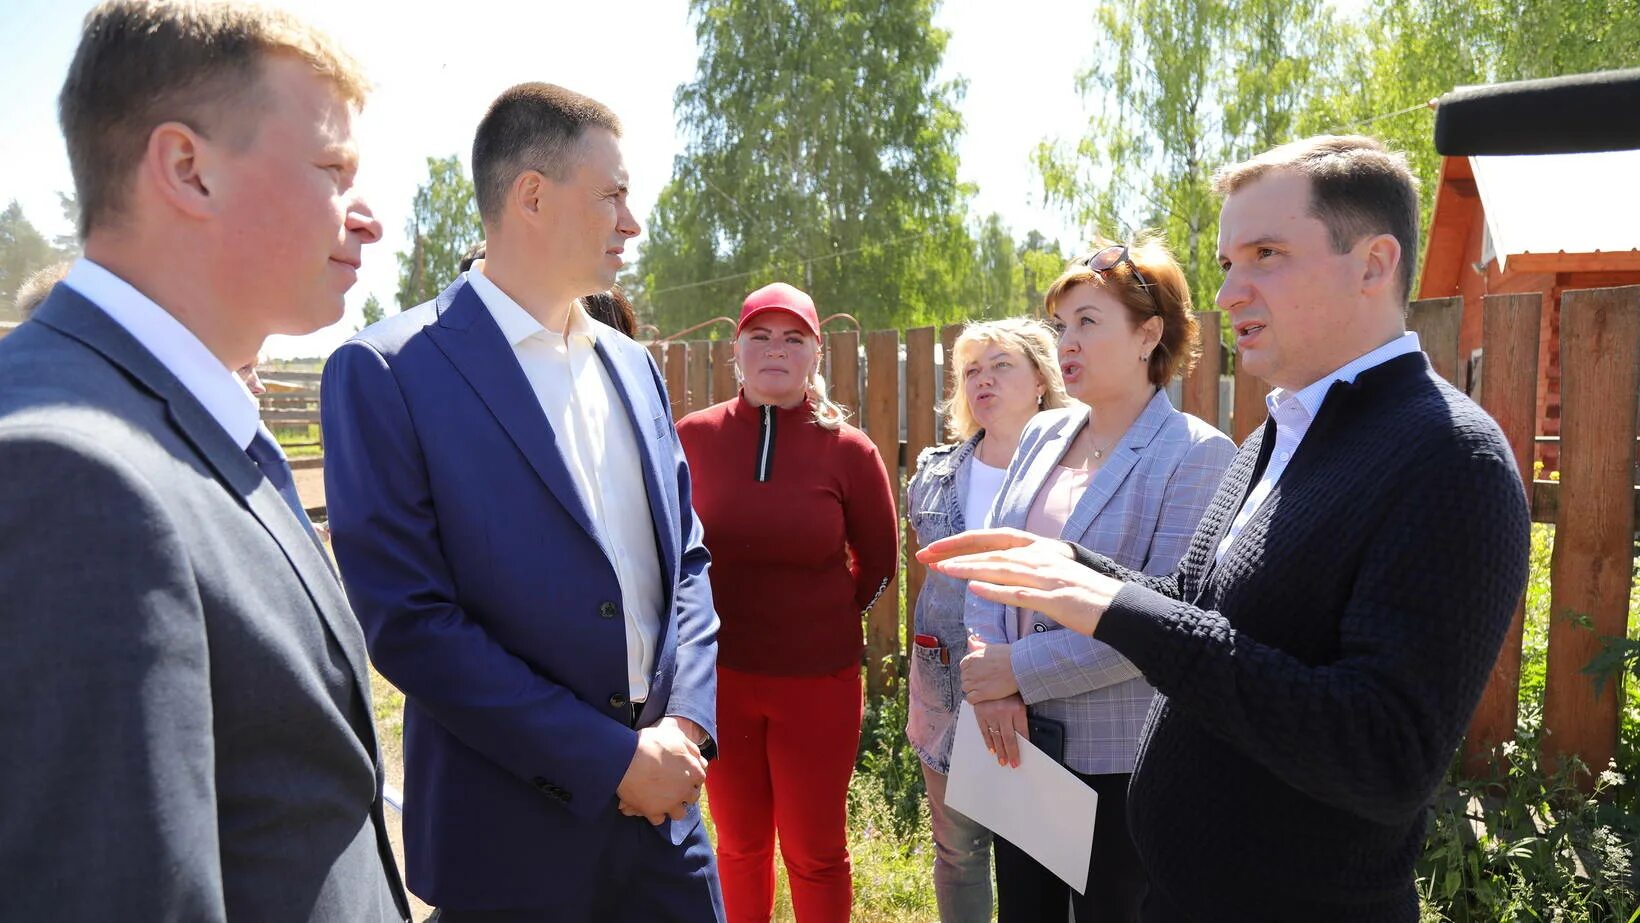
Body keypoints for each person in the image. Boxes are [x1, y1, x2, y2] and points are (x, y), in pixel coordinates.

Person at [922, 136, 1532, 921]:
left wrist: (1114, 606)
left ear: (1374, 264)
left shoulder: (1449, 455)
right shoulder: (1280, 433)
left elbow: (1384, 755)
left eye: (1266, 254)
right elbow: (1195, 602)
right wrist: (1070, 564)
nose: (1232, 291)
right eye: (1226, 264)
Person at [0, 2, 408, 920]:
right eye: (332, 169)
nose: (369, 216)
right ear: (188, 168)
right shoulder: (70, 472)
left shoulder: (166, 415)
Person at [321, 82, 723, 922]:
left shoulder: (633, 365)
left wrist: (685, 724)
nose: (632, 221)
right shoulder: (388, 370)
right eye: (612, 193)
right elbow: (410, 621)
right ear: (532, 194)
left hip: (668, 825)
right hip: (510, 838)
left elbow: (685, 557)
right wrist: (609, 758)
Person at [963, 239, 1234, 922]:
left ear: (1149, 334)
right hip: (1013, 740)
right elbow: (989, 564)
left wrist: (1013, 671)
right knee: (1025, 912)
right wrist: (992, 686)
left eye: (1088, 321)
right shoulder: (1040, 434)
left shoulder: (1197, 454)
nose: (1067, 342)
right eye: (1060, 325)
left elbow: (1154, 622)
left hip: (1120, 762)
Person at [674, 282, 898, 923]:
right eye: (761, 337)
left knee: (815, 850)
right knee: (739, 845)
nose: (776, 350)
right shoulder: (693, 438)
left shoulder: (851, 453)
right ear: (735, 351)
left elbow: (879, 566)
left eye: (793, 338)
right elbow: (668, 555)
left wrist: (822, 624)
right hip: (718, 681)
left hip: (818, 684)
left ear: (815, 356)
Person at [904, 318, 1070, 923]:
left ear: (1041, 382)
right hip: (944, 689)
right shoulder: (937, 470)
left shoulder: (1073, 473)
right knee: (958, 852)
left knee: (1038, 859)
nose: (983, 380)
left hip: (1037, 691)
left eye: (1001, 365)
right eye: (971, 370)